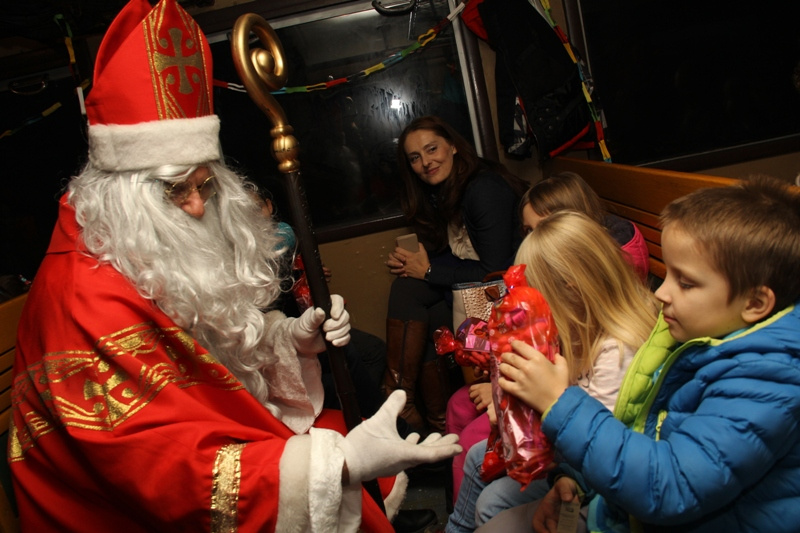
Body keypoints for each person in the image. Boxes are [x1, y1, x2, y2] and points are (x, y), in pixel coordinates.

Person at [8, 1, 461, 531]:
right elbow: (163, 469)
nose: (198, 207)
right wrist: (334, 467)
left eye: (204, 187)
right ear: (125, 195)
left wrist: (289, 339)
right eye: (175, 191)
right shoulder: (82, 299)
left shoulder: (130, 245)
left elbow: (200, 354)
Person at [479, 175, 800, 533]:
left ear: (754, 303)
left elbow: (671, 486)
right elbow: (643, 431)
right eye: (669, 275)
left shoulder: (766, 380)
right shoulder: (696, 339)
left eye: (685, 282)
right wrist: (577, 482)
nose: (661, 292)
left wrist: (558, 402)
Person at [445, 211, 658, 533]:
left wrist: (524, 421)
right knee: (477, 457)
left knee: (492, 503)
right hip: (570, 458)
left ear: (571, 290)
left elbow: (595, 447)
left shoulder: (617, 353)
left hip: (591, 476)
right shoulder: (578, 329)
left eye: (534, 296)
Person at [384, 115, 528, 436]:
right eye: (415, 158)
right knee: (413, 296)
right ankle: (426, 414)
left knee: (417, 301)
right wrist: (414, 264)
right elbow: (461, 253)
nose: (425, 162)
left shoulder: (483, 188)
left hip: (508, 292)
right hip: (480, 289)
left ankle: (401, 398)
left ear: (452, 146)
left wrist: (429, 271)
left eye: (432, 149)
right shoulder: (447, 189)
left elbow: (494, 272)